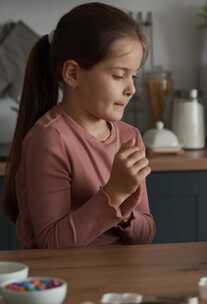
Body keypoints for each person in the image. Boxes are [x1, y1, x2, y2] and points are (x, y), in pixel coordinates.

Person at [2, 2, 156, 249]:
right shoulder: (49, 139)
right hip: (62, 282)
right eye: (118, 75)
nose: (132, 89)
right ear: (73, 74)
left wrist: (126, 209)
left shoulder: (130, 137)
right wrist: (114, 193)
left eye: (133, 76)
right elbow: (52, 243)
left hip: (118, 280)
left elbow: (145, 234)